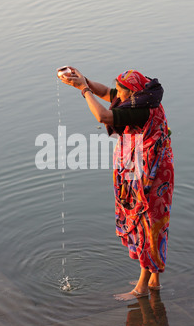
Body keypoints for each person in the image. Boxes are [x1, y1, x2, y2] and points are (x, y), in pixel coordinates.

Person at [58, 67, 174, 301]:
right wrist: (81, 80)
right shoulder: (140, 98)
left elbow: (103, 116)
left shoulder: (139, 111)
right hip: (146, 169)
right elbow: (106, 92)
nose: (117, 97)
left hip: (148, 175)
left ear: (132, 94)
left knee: (145, 222)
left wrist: (84, 91)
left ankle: (141, 287)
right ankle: (153, 279)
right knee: (150, 222)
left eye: (121, 93)